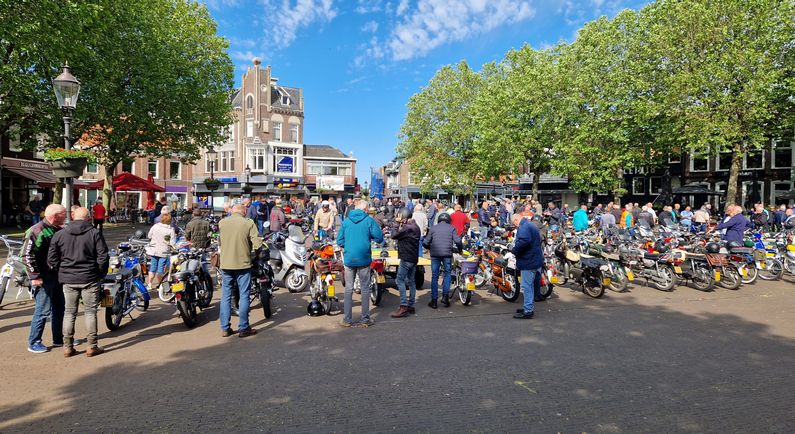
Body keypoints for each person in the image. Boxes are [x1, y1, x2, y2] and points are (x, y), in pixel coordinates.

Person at [47, 207, 109, 357]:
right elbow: (103, 257)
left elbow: (51, 258)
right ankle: (92, 345)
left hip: (68, 279)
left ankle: (67, 346)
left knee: (69, 312)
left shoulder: (60, 234)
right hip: (89, 277)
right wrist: (100, 273)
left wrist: (61, 271)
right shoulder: (95, 233)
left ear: (73, 217)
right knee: (90, 311)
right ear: (89, 218)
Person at [23, 204, 67, 354]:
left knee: (59, 308)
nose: (66, 216)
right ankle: (34, 342)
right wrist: (35, 276)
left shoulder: (59, 229)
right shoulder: (37, 230)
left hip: (56, 276)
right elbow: (27, 255)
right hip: (43, 278)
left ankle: (59, 339)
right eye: (64, 214)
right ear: (55, 216)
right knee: (42, 311)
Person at [337, 200, 384, 327]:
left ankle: (347, 319)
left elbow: (339, 240)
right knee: (364, 289)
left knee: (348, 289)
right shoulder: (369, 221)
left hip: (349, 259)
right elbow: (379, 237)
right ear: (365, 209)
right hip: (364, 258)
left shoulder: (346, 221)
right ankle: (365, 319)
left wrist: (348, 246)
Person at [218, 204, 262, 338]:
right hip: (242, 264)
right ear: (244, 212)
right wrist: (257, 255)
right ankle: (243, 327)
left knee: (226, 295)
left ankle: (225, 328)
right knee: (244, 295)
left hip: (225, 264)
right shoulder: (248, 223)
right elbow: (257, 244)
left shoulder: (222, 223)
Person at [423, 212, 462, 309]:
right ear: (448, 220)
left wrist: (430, 247)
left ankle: (434, 301)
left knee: (435, 276)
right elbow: (458, 241)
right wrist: (460, 249)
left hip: (435, 254)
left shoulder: (433, 228)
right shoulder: (452, 228)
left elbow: (425, 242)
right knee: (447, 274)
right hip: (447, 255)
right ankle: (445, 297)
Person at [389, 208, 420, 318]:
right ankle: (411, 305)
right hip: (413, 258)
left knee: (399, 280)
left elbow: (393, 235)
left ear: (404, 217)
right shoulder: (415, 226)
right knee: (411, 281)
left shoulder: (408, 228)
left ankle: (403, 306)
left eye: (400, 216)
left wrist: (396, 223)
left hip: (406, 258)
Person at [511, 214, 543, 319]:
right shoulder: (530, 225)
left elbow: (524, 241)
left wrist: (515, 250)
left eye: (514, 223)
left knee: (526, 286)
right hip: (534, 259)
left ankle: (528, 310)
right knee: (530, 285)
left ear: (516, 220)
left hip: (528, 261)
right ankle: (528, 306)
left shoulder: (523, 227)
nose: (515, 226)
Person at [146, 213, 176, 290]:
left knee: (152, 267)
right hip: (164, 251)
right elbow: (172, 243)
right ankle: (160, 285)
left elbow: (149, 236)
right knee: (160, 269)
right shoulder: (170, 230)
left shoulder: (155, 226)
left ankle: (149, 284)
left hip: (154, 250)